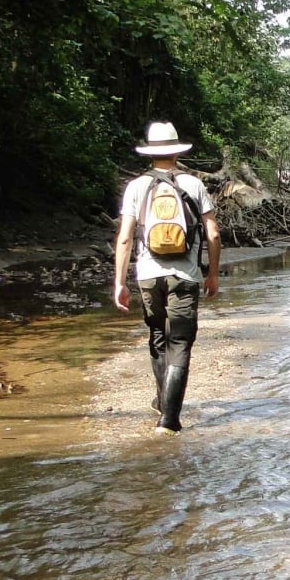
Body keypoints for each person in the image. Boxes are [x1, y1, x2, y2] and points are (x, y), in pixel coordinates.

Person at [113, 121, 221, 435]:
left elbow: (124, 237)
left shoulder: (136, 187)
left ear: (151, 153)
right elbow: (212, 233)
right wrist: (212, 274)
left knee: (158, 337)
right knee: (181, 342)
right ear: (176, 152)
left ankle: (163, 403)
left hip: (148, 274)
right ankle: (169, 420)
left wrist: (120, 282)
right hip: (184, 275)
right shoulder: (193, 184)